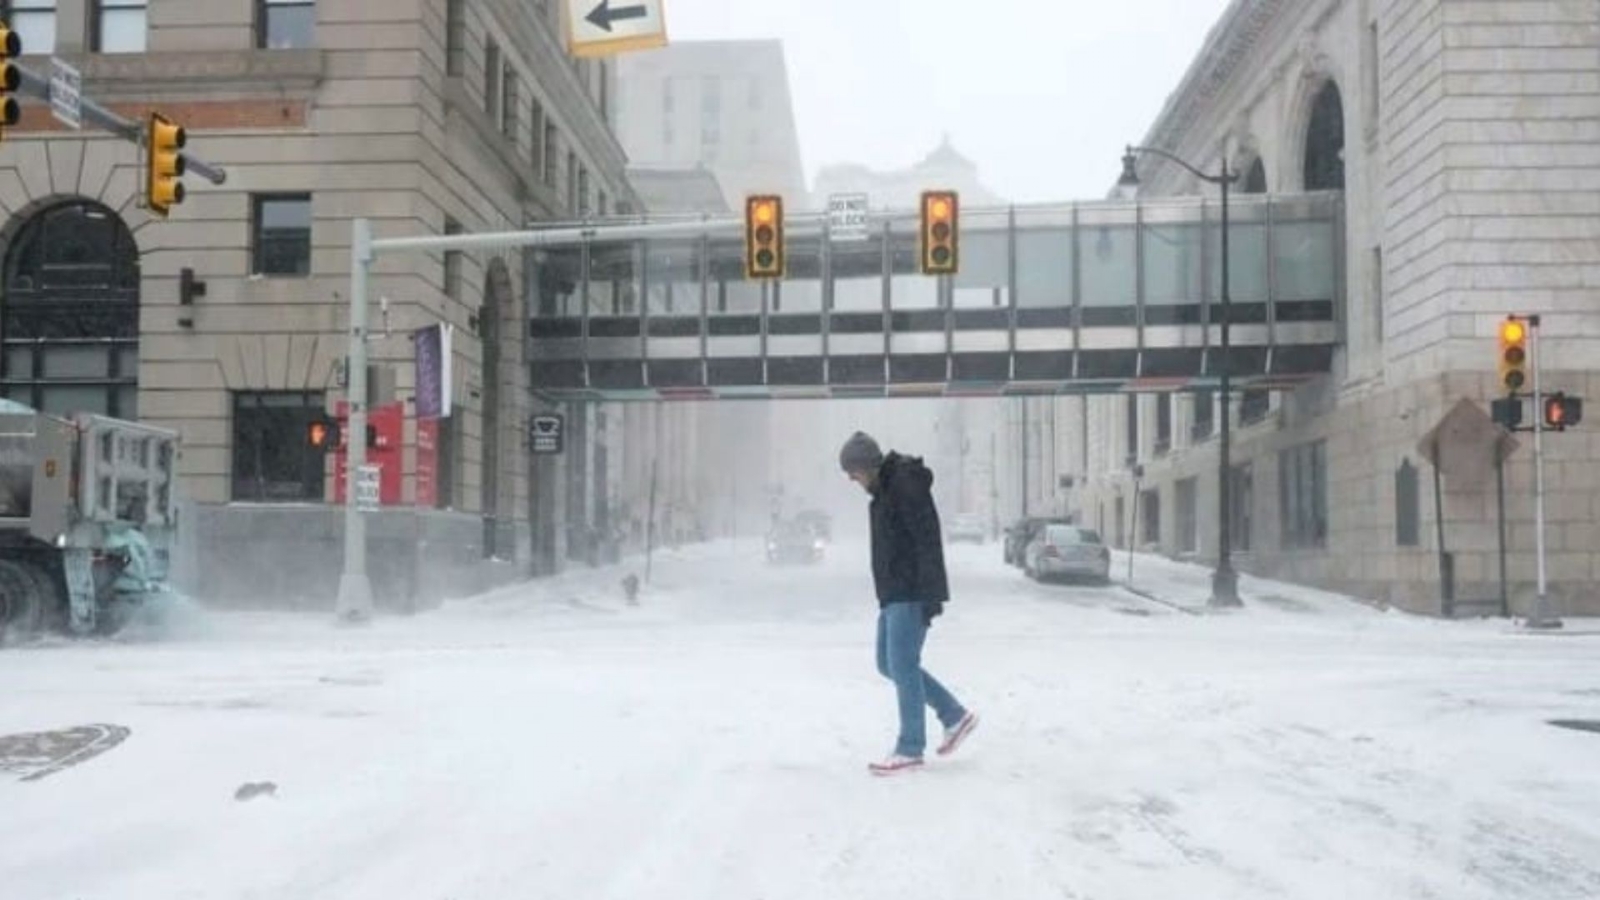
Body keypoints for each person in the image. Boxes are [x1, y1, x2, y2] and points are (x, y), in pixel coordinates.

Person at [839, 431, 978, 776]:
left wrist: (931, 596)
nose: (850, 479)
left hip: (909, 592)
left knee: (902, 665)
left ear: (866, 465)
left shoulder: (903, 484)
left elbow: (926, 538)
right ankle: (954, 715)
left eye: (852, 471)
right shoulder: (884, 490)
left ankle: (910, 747)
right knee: (888, 664)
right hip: (894, 594)